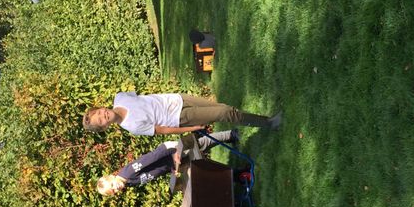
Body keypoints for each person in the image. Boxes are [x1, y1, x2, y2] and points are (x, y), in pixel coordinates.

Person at [96, 130, 238, 196]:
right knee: (200, 163)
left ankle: (230, 134)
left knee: (201, 145)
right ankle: (236, 173)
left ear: (111, 177)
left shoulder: (128, 172)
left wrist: (173, 150)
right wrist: (171, 170)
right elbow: (154, 171)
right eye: (114, 191)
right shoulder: (129, 183)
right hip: (171, 163)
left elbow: (151, 158)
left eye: (113, 185)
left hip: (170, 153)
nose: (116, 188)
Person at [83, 91, 281, 136]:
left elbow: (144, 100)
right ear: (104, 127)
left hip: (178, 98)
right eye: (100, 120)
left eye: (99, 112)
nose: (103, 115)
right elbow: (163, 130)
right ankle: (270, 123)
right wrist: (192, 128)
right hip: (179, 117)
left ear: (101, 107)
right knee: (224, 112)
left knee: (223, 108)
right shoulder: (132, 126)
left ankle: (262, 121)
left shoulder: (120, 97)